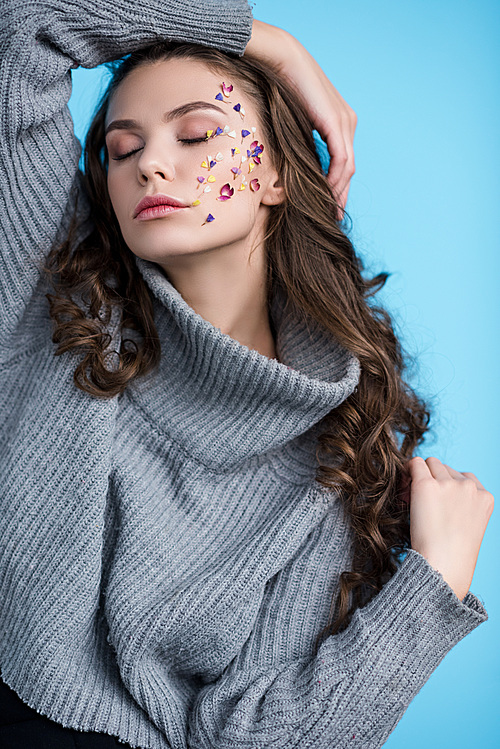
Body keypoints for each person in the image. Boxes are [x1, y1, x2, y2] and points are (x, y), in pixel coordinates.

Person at [0, 1, 493, 748]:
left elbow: (251, 738)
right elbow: (25, 24)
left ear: (278, 176)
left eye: (196, 134)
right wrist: (269, 42)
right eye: (122, 149)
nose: (150, 165)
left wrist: (431, 588)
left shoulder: (334, 456)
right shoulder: (53, 290)